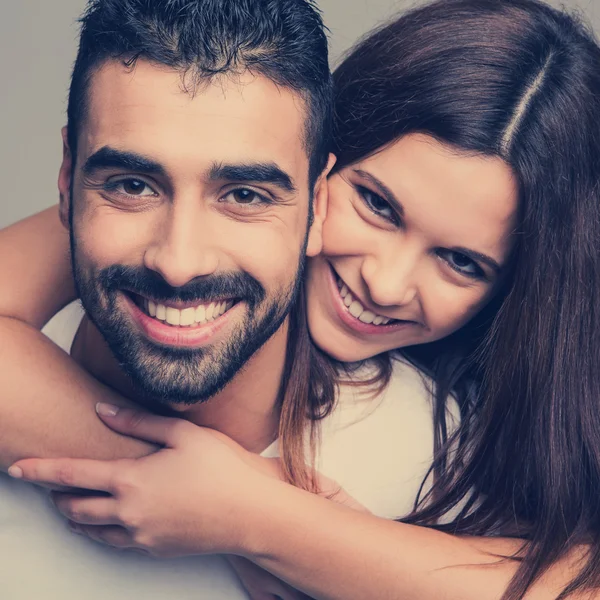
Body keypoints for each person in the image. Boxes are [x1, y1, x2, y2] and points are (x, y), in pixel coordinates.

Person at [2, 0, 600, 598]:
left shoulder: (449, 441)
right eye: (377, 206)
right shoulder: (151, 205)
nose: (384, 284)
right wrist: (179, 480)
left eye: (461, 262)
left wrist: (267, 521)